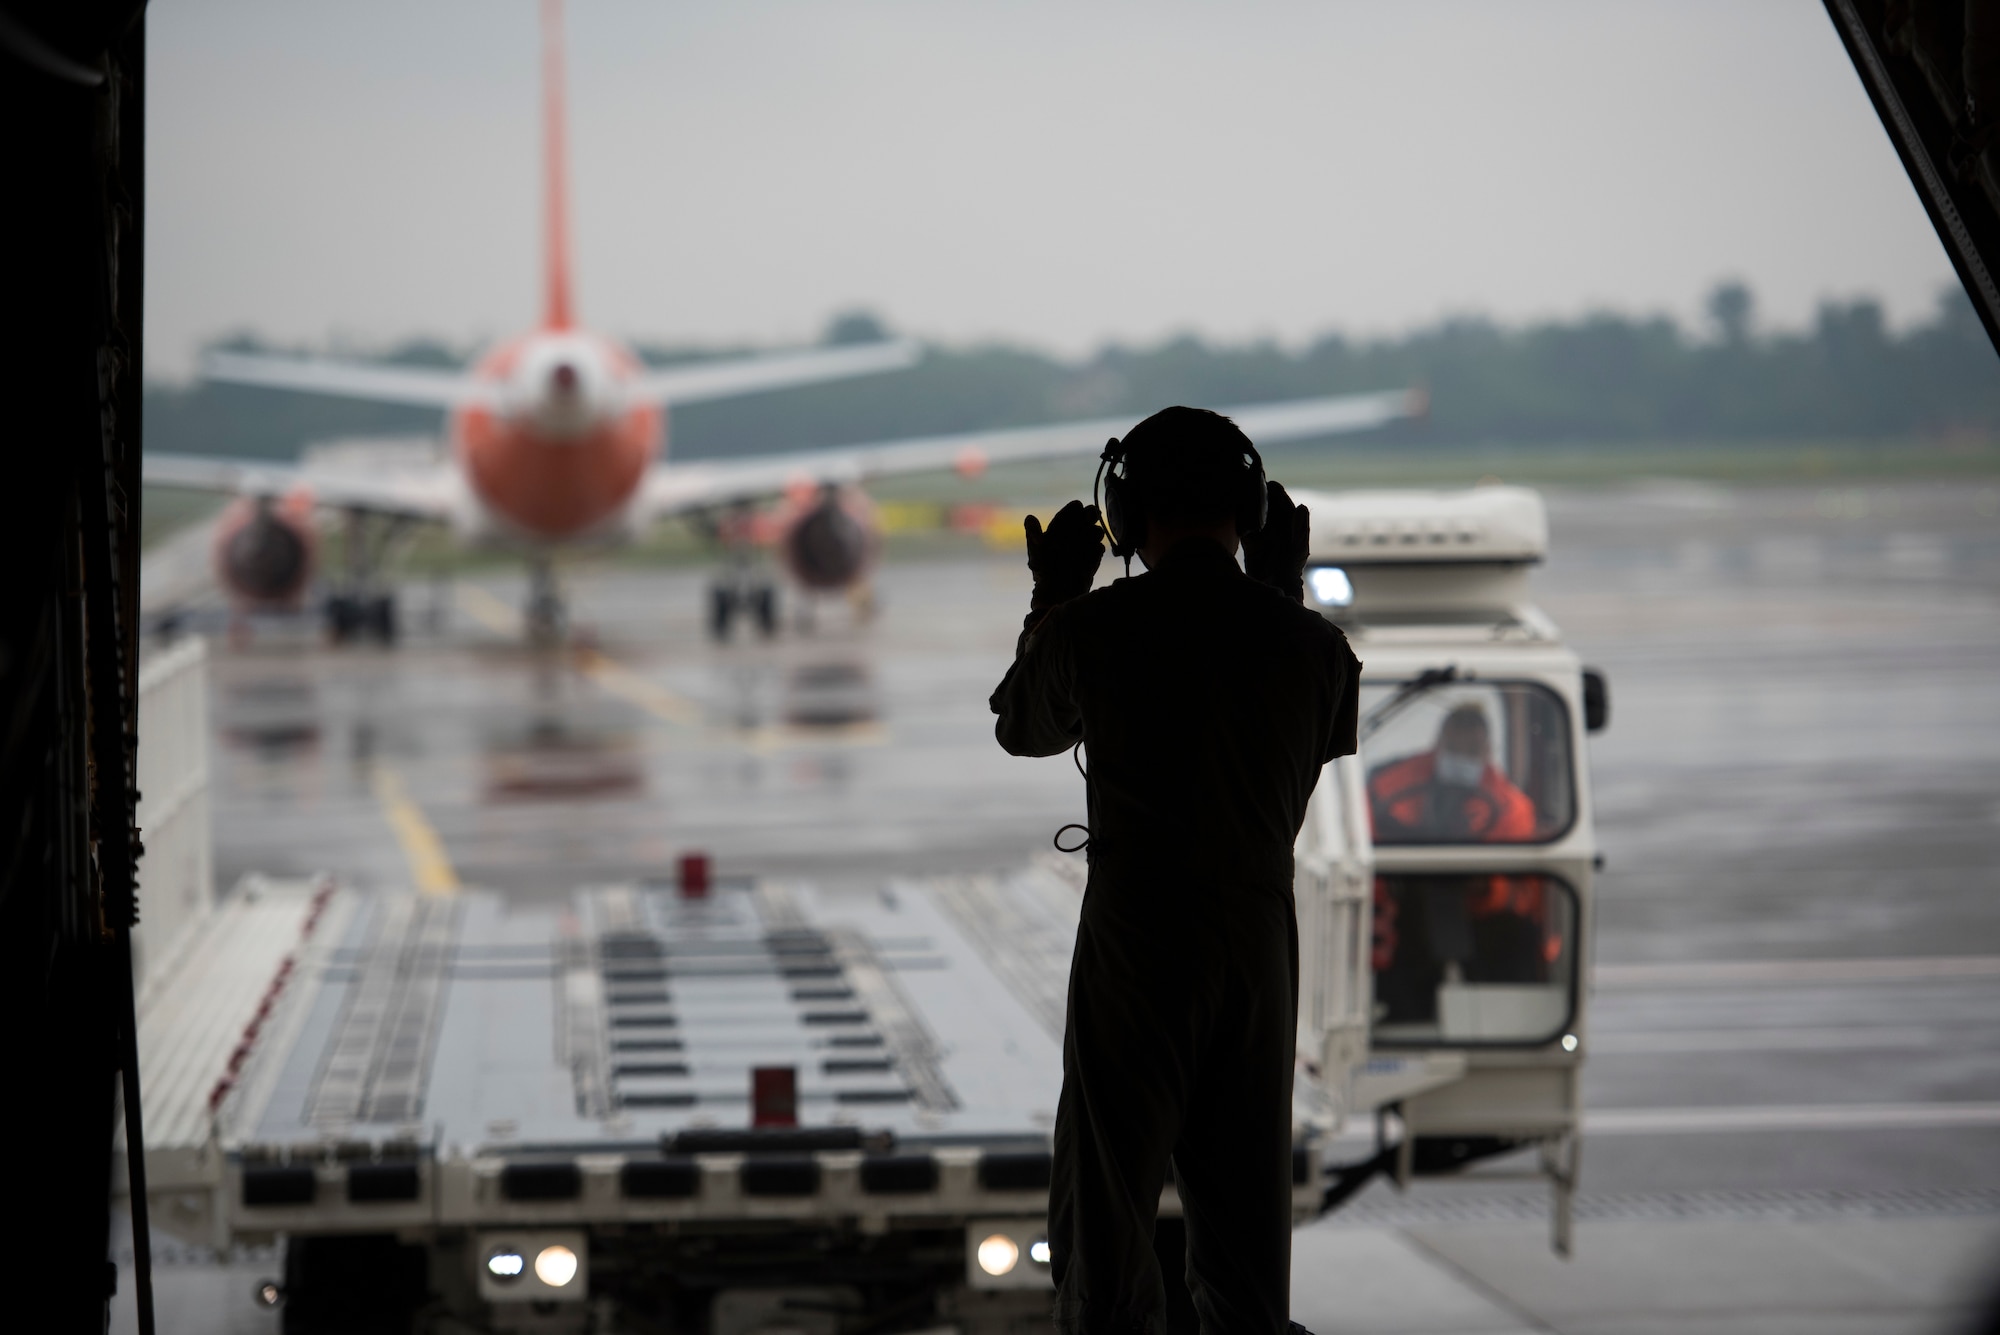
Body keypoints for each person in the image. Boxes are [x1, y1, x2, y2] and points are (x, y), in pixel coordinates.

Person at [989, 406, 1360, 1335]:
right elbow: (1289, 775)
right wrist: (1283, 590)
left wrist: (1054, 595)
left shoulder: (1097, 630)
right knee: (1246, 1260)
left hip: (1139, 945)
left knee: (1104, 1238)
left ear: (1125, 512)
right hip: (1256, 949)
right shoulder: (1314, 649)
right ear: (1251, 511)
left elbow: (1023, 728)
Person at [1366, 704, 1535, 844]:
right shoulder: (1389, 785)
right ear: (1437, 745)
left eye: (1472, 750)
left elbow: (1513, 872)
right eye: (1453, 748)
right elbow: (1364, 826)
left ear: (1487, 752)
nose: (1461, 757)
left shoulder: (1512, 808)